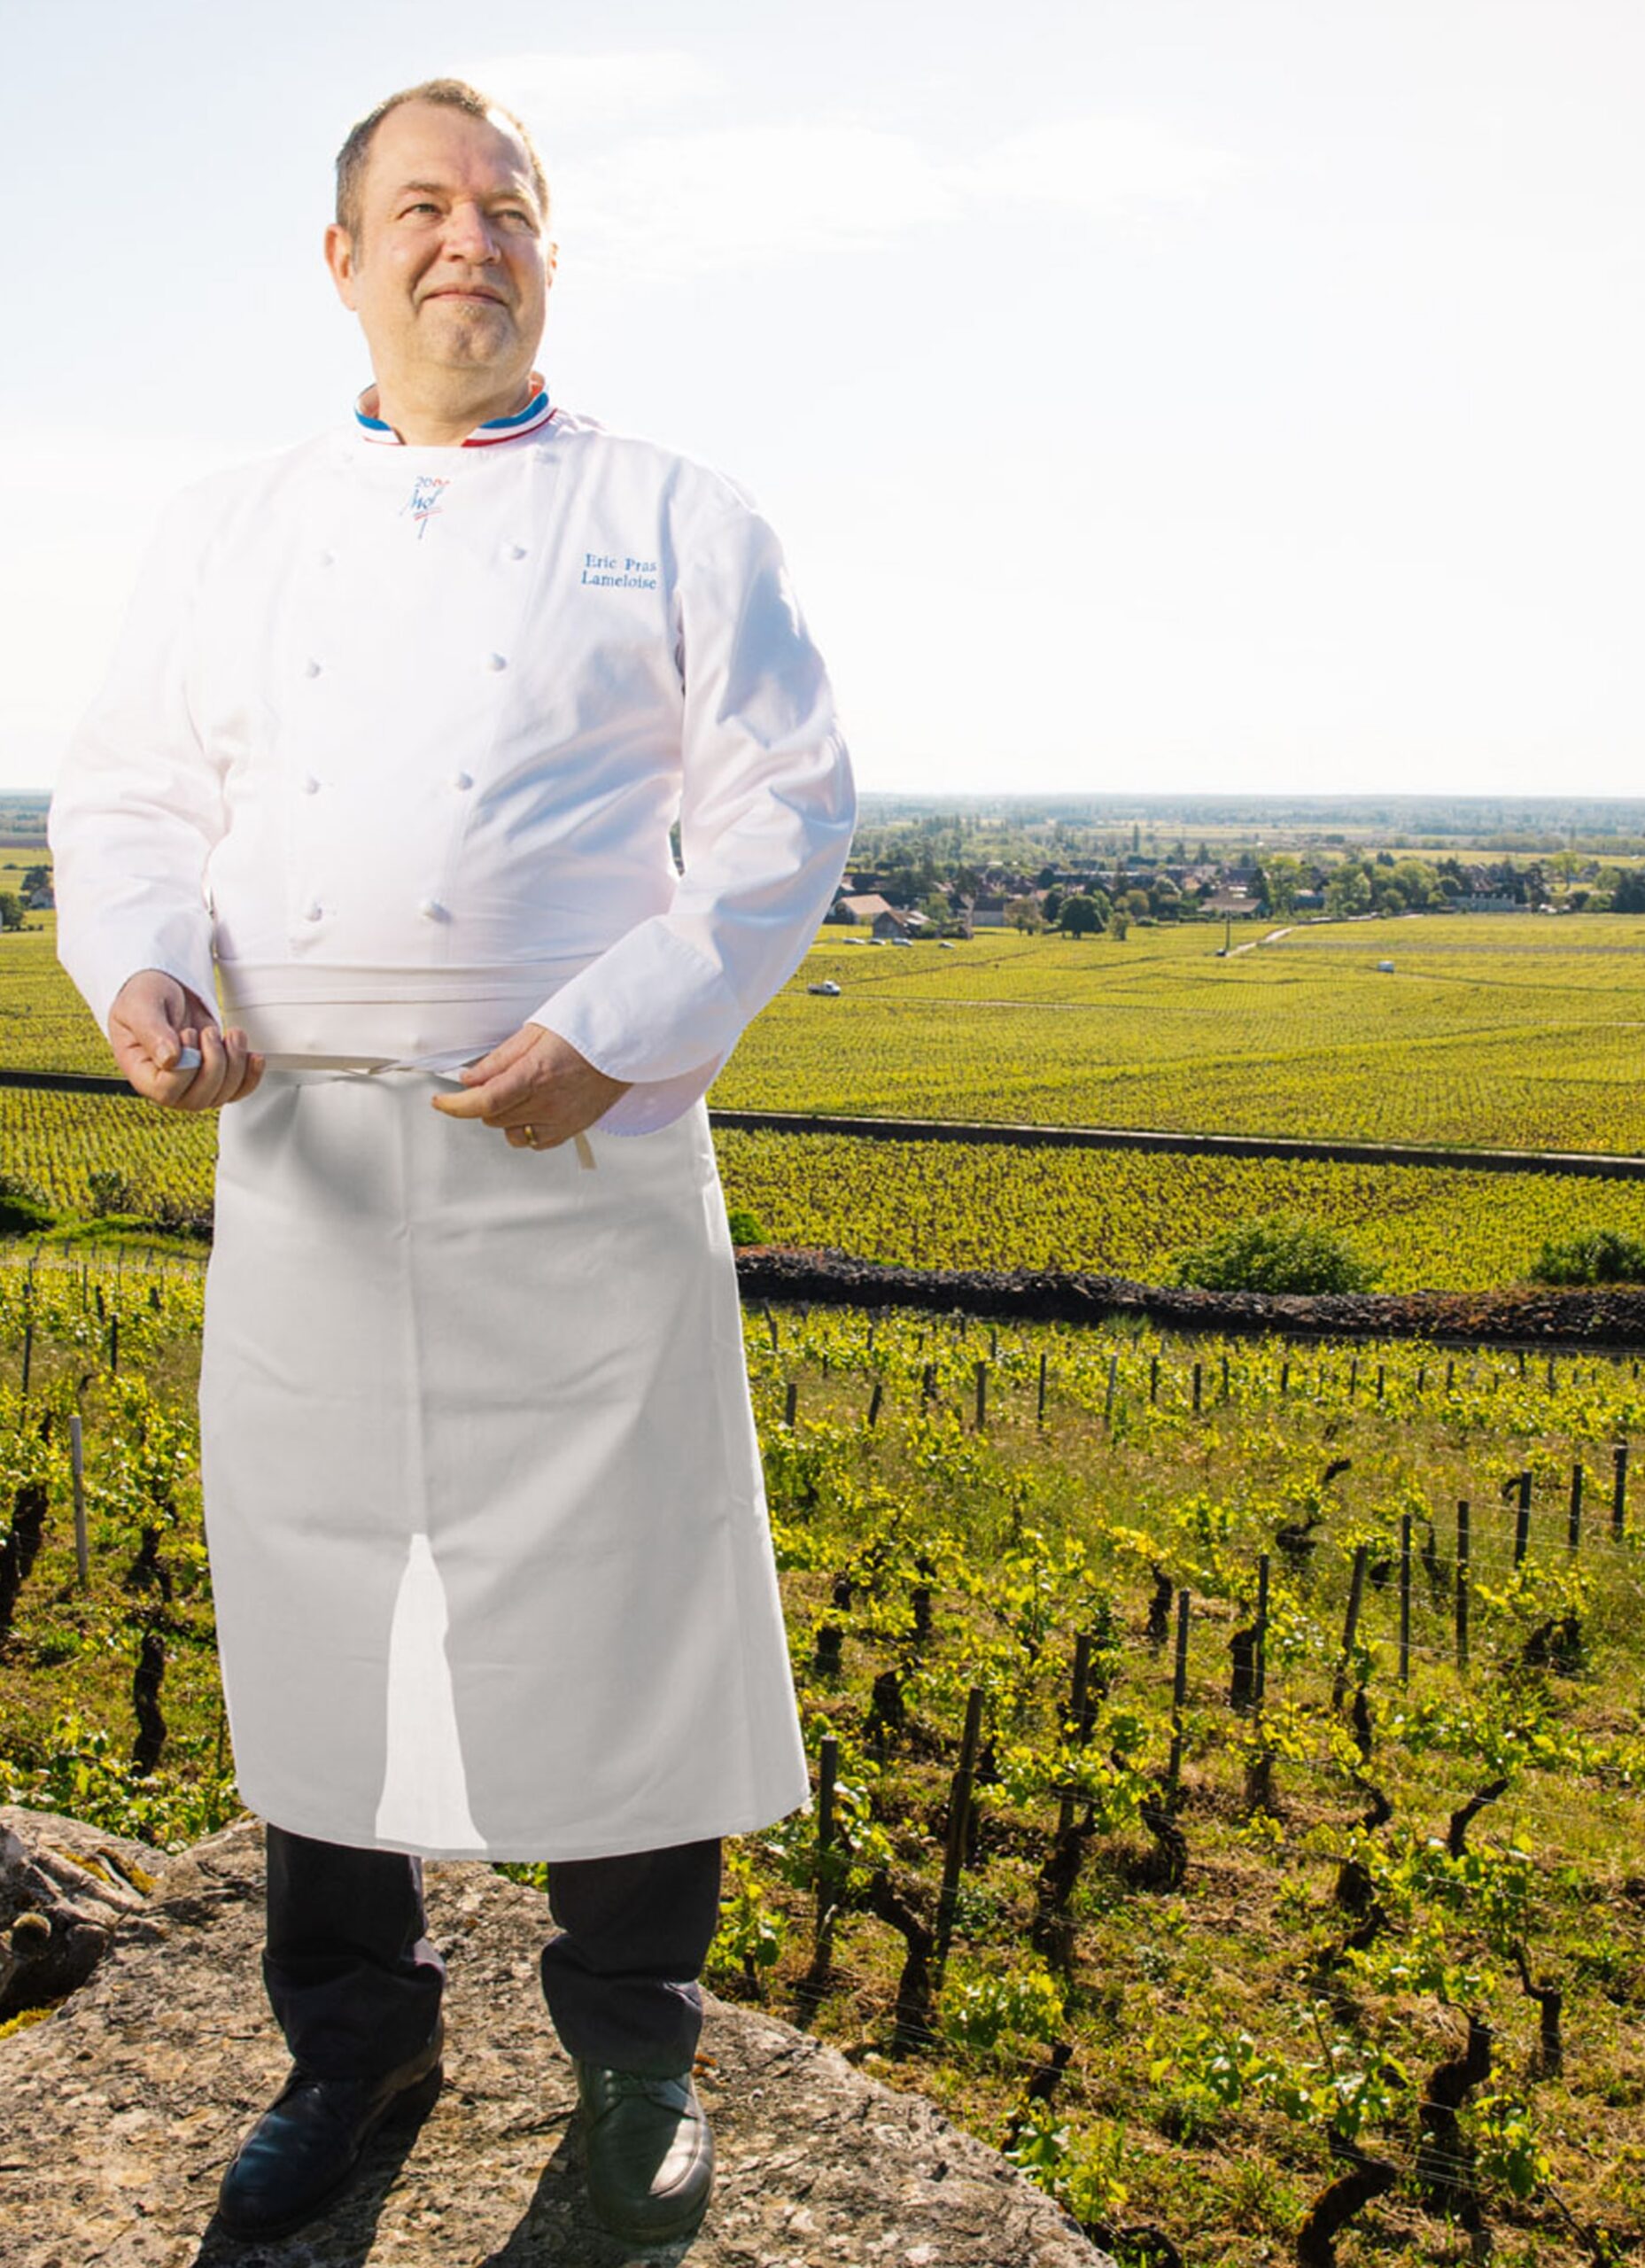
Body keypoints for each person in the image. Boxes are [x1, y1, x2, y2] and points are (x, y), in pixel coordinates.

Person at [48, 76, 855, 2249]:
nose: (463, 242)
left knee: (622, 1605)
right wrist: (138, 970)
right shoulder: (225, 524)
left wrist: (618, 1029)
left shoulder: (674, 512)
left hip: (574, 1153)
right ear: (343, 258)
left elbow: (785, 815)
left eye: (504, 209)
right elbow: (125, 800)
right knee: (321, 1602)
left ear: (548, 259)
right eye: (419, 208)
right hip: (299, 1151)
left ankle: (634, 2061)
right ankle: (354, 2045)